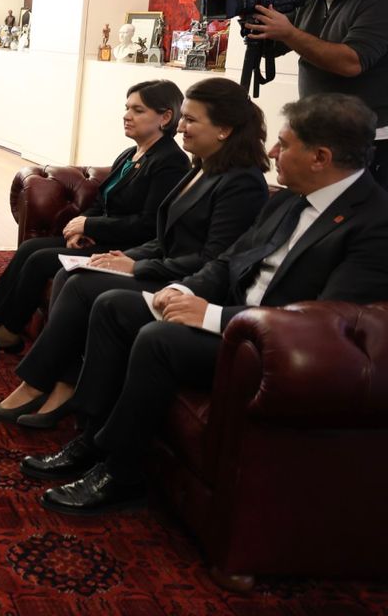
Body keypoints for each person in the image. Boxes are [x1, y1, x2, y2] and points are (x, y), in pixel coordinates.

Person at [24, 93, 388, 516]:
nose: (273, 152)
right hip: (228, 312)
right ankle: (90, 438)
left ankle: (121, 474)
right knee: (113, 306)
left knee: (159, 339)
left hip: (267, 345)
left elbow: (327, 323)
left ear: (320, 157)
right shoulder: (291, 199)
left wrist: (213, 316)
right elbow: (228, 260)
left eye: (285, 144)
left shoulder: (374, 224)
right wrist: (184, 291)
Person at [0, 78, 270, 427]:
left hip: (186, 283)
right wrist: (128, 257)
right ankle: (57, 386)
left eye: (191, 120)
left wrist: (138, 267)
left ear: (224, 129)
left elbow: (212, 260)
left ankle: (42, 387)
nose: (181, 127)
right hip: (164, 266)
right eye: (183, 118)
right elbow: (164, 236)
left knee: (81, 284)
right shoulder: (203, 167)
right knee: (73, 273)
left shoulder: (241, 181)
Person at [0, 80, 190, 356]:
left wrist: (91, 225)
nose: (126, 116)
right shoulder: (131, 154)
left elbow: (149, 225)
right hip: (104, 237)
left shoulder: (170, 161)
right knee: (30, 248)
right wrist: (81, 228)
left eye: (138, 110)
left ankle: (2, 332)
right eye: (127, 108)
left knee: (39, 259)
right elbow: (101, 200)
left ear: (165, 117)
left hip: (127, 249)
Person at [245, 0, 388, 186]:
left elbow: (351, 62)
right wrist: (259, 25)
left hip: (368, 141)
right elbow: (286, 41)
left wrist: (288, 33)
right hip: (319, 131)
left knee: (359, 210)